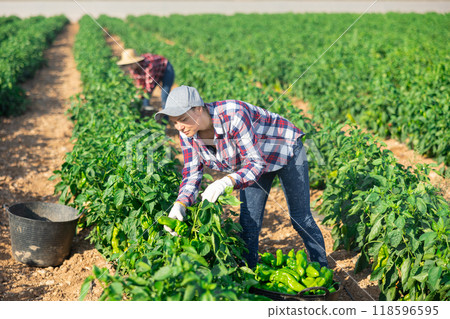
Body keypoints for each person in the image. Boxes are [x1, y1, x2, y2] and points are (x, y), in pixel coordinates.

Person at [154, 85, 328, 269]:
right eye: (174, 122)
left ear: (198, 109)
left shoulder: (234, 115)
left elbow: (256, 163)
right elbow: (191, 172)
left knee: (300, 218)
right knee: (248, 222)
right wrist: (181, 203)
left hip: (285, 149)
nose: (179, 127)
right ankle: (249, 276)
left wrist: (226, 182)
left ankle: (322, 270)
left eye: (182, 119)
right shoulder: (187, 134)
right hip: (255, 160)